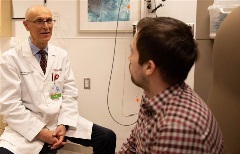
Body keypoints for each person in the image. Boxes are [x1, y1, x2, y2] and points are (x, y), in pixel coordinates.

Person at [0, 5, 116, 154]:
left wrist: (64, 125)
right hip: (27, 126)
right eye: (39, 21)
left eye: (49, 21)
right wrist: (40, 132)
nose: (46, 26)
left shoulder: (61, 55)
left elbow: (70, 93)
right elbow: (10, 105)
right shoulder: (10, 59)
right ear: (26, 25)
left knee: (107, 137)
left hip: (58, 120)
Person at [118, 17, 224, 153]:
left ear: (149, 67)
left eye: (132, 52)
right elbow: (133, 143)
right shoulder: (154, 96)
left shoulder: (177, 129)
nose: (129, 58)